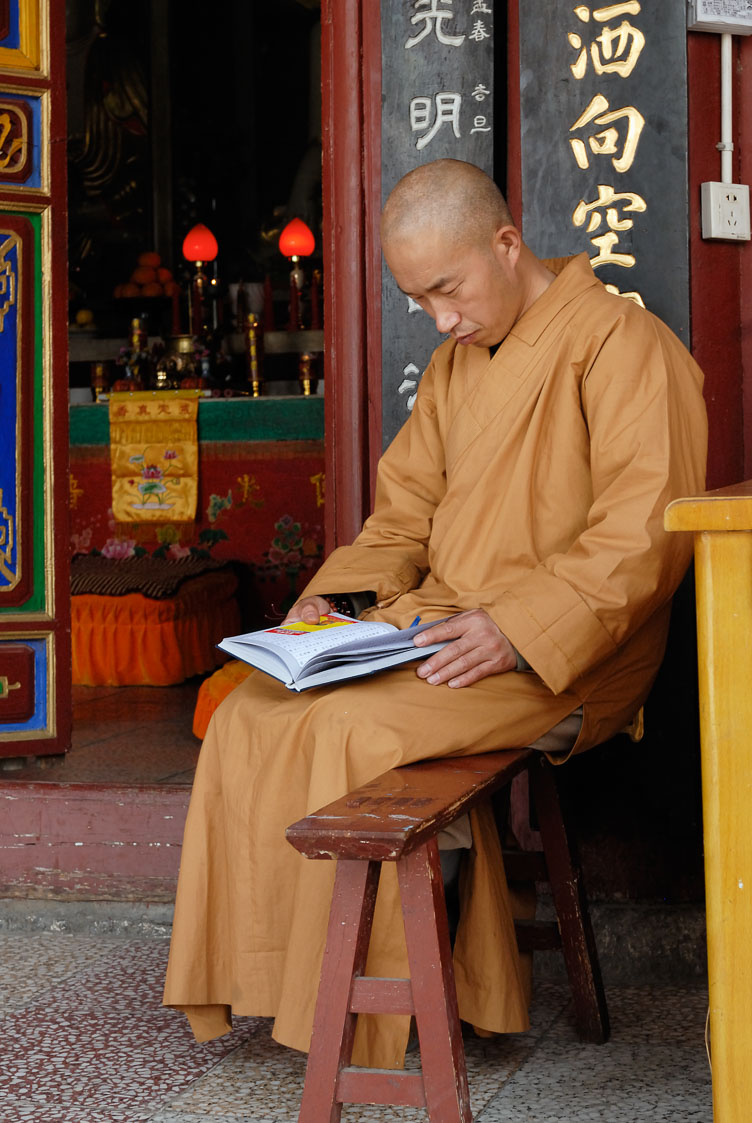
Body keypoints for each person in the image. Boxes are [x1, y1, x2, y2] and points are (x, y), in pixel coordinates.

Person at [163, 159, 707, 1069]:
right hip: (442, 623)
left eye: (449, 290)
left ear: (505, 242)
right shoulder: (461, 368)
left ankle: (370, 1018)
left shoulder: (623, 346)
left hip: (564, 649)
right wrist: (335, 599)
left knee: (355, 731)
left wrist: (518, 627)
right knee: (249, 715)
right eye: (420, 302)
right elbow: (404, 509)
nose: (442, 321)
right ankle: (269, 983)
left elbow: (643, 536)